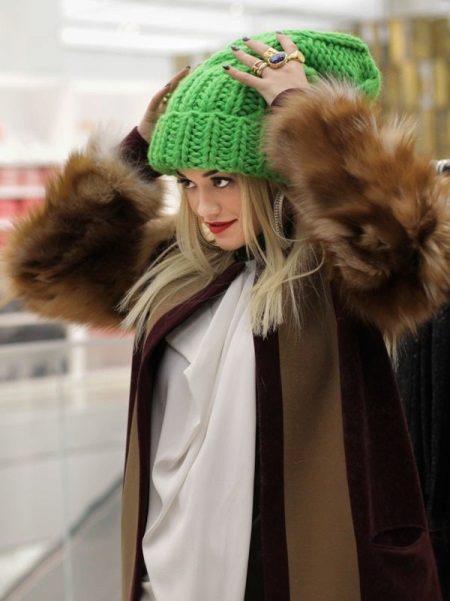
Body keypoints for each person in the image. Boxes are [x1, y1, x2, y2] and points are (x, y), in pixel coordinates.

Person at [3, 29, 450, 601]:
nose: (204, 206)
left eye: (222, 180)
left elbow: (407, 243)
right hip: (172, 576)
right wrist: (137, 153)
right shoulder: (179, 264)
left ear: (275, 177)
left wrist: (304, 112)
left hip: (303, 574)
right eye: (187, 183)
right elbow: (44, 270)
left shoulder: (334, 275)